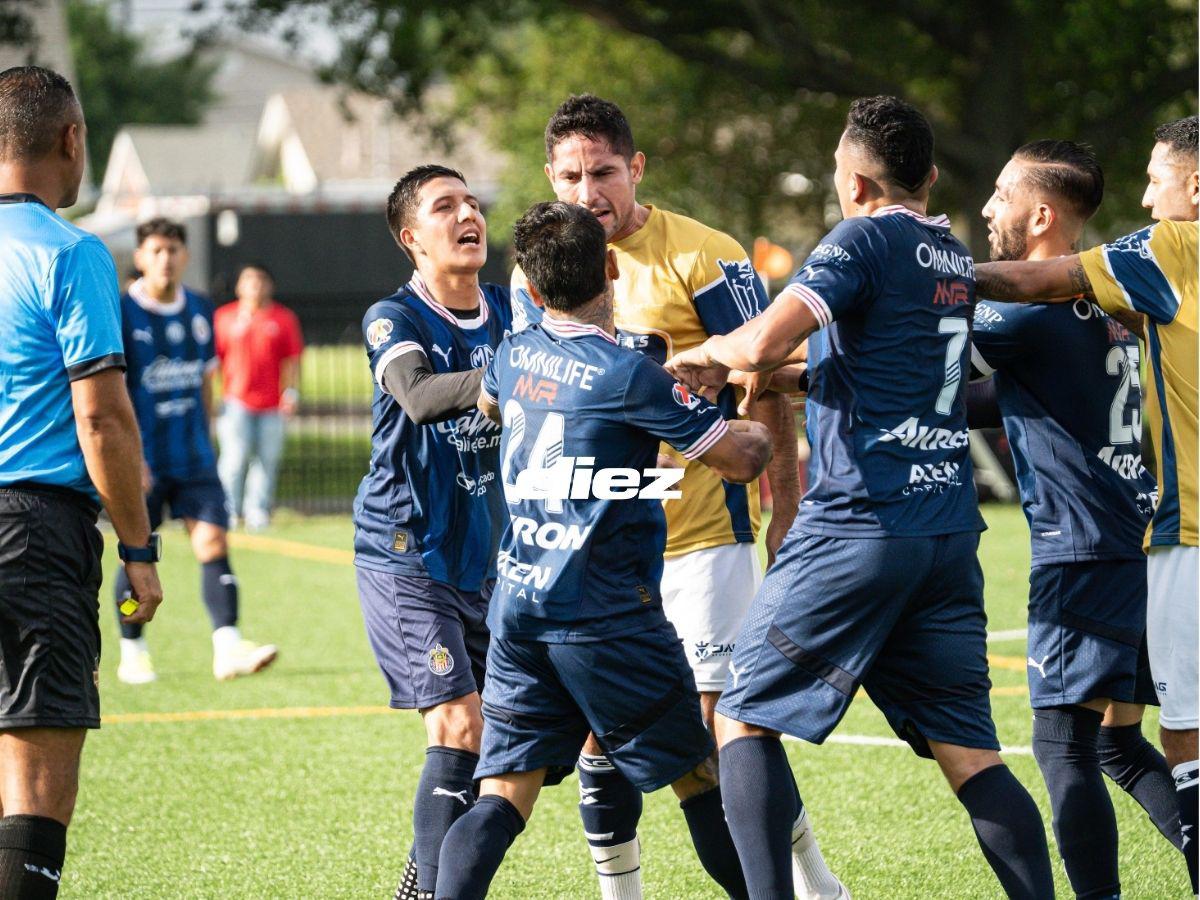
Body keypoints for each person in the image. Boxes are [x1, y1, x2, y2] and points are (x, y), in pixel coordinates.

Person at [667, 96, 1057, 898]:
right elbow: (883, 372)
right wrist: (780, 376)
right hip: (947, 531)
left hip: (859, 525)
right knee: (973, 758)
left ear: (854, 181)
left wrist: (712, 354)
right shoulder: (947, 253)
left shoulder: (863, 236)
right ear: (933, 177)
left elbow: (765, 336)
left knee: (738, 714)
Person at [512, 94, 833, 900]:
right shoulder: (537, 272)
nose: (590, 193)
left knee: (729, 734)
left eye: (605, 173)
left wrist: (783, 509)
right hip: (593, 552)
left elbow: (763, 381)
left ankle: (814, 884)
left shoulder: (706, 253)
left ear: (637, 168)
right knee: (598, 737)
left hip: (699, 542)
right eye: (572, 176)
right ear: (550, 177)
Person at [435, 200, 773, 900]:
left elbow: (495, 407)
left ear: (529, 292)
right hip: (609, 615)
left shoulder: (510, 354)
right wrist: (750, 417)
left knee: (503, 792)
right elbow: (739, 462)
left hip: (521, 609)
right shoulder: (628, 375)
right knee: (699, 778)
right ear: (610, 269)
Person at [975, 115, 1199, 895]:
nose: (986, 211)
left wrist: (801, 367)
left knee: (1059, 743)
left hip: (1083, 548)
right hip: (1140, 540)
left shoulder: (1022, 306)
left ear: (1041, 216)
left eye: (1000, 196)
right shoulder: (1110, 301)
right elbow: (997, 399)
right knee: (1119, 745)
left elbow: (924, 372)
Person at [0, 65, 163, 897]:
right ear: (71, 141)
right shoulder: (70, 253)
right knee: (34, 777)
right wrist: (139, 546)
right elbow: (102, 420)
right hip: (31, 530)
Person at [352, 165, 512, 900]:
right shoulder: (394, 316)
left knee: (503, 744)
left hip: (483, 558)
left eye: (472, 202)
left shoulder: (514, 313)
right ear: (411, 239)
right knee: (456, 725)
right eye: (445, 206)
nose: (467, 214)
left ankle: (422, 879)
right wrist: (516, 379)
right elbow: (416, 397)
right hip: (405, 549)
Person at [113, 218, 277, 685]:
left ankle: (227, 648)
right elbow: (111, 392)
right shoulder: (123, 314)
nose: (165, 258)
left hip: (194, 459)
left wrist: (207, 439)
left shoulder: (202, 310)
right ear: (141, 257)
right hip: (140, 460)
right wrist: (127, 456)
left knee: (213, 543)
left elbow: (207, 382)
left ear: (185, 256)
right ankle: (132, 647)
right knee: (136, 557)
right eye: (156, 250)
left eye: (173, 250)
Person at [214, 263, 304, 531]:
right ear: (239, 286)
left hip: (273, 403)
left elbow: (293, 360)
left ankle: (258, 511)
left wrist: (291, 393)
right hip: (235, 401)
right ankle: (227, 509)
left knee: (267, 460)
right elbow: (213, 361)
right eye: (249, 279)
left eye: (261, 280)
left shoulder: (283, 318)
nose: (255, 285)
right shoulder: (224, 317)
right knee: (234, 458)